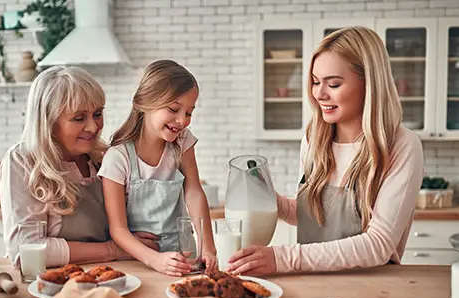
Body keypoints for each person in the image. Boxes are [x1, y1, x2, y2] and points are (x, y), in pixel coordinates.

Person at [227, 26, 424, 275]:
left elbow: (379, 244)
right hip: (312, 281)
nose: (319, 94)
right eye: (315, 82)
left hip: (371, 287)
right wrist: (273, 201)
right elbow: (313, 218)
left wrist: (283, 258)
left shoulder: (401, 145)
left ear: (370, 83)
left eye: (333, 84)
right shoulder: (314, 139)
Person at [0, 66, 159, 268]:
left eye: (98, 113)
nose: (93, 127)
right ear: (48, 121)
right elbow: (25, 250)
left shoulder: (105, 158)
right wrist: (111, 250)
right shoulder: (22, 161)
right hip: (51, 283)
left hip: (113, 275)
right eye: (79, 118)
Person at [98, 60, 218, 277]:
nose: (182, 120)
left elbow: (194, 192)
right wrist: (155, 260)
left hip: (184, 254)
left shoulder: (182, 143)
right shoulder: (118, 158)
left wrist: (207, 247)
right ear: (146, 103)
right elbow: (118, 230)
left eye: (189, 112)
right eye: (173, 109)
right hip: (140, 262)